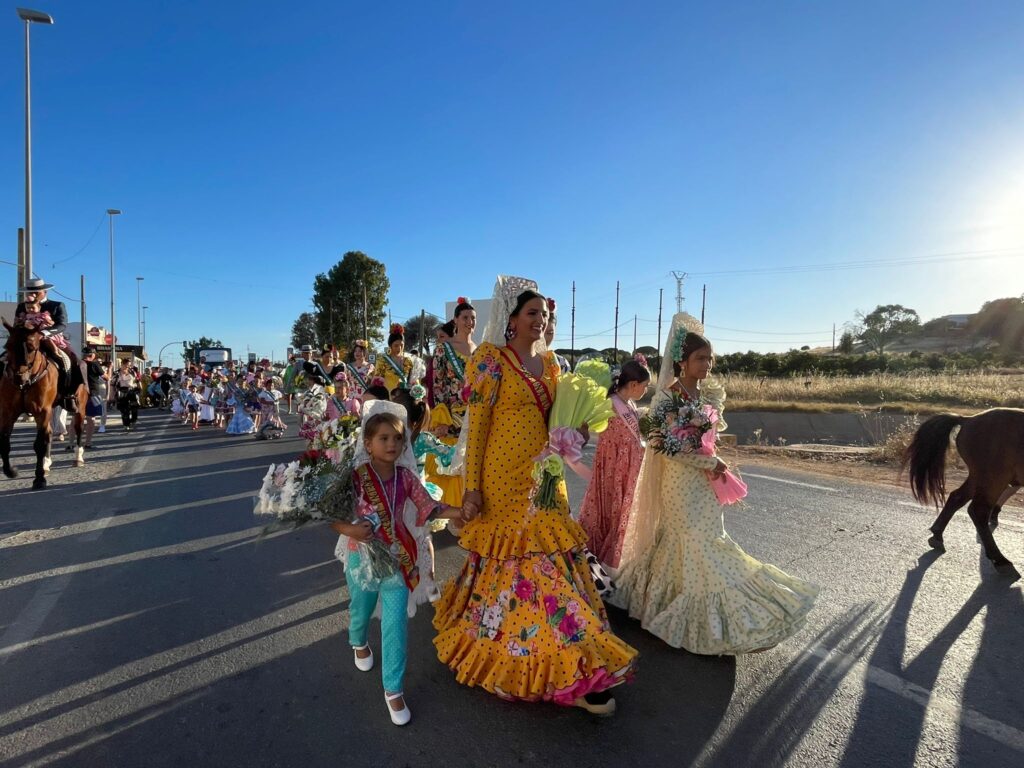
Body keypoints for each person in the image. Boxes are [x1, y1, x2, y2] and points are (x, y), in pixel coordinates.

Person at [432, 276, 637, 716]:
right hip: (501, 479)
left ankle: (575, 657)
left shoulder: (554, 368)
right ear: (511, 320)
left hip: (545, 477)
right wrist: (471, 488)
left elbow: (563, 420)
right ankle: (544, 655)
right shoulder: (492, 361)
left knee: (549, 558)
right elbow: (480, 427)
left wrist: (577, 430)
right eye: (532, 313)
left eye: (544, 314)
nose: (540, 320)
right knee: (519, 560)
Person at [611, 316, 819, 655]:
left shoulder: (706, 395)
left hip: (704, 480)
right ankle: (699, 618)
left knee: (707, 539)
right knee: (696, 542)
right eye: (700, 359)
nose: (707, 365)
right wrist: (709, 461)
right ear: (682, 362)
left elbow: (709, 436)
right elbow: (662, 444)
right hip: (679, 484)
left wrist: (712, 454)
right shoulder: (667, 398)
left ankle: (693, 608)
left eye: (710, 359)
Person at [329, 402, 463, 726]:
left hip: (399, 559)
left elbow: (429, 507)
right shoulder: (356, 477)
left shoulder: (406, 477)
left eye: (397, 439)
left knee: (395, 625)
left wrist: (462, 512)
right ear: (368, 443)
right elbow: (333, 516)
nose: (392, 444)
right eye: (384, 438)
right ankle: (358, 641)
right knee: (360, 608)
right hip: (361, 558)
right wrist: (350, 529)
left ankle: (393, 688)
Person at [578, 360, 650, 572]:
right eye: (645, 386)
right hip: (613, 467)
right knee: (610, 509)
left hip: (627, 466)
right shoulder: (610, 402)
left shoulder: (629, 404)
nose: (645, 391)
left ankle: (612, 560)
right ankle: (601, 560)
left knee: (621, 511)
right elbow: (588, 422)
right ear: (634, 384)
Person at [1, 277, 86, 410]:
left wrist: (43, 333)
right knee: (4, 357)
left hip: (50, 338)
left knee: (73, 362)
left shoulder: (56, 305)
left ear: (44, 292)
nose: (32, 295)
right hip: (26, 340)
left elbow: (61, 324)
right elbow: (17, 324)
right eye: (30, 292)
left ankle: (69, 395)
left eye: (36, 292)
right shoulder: (21, 306)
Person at [428, 298, 477, 507]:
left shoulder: (480, 349)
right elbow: (437, 385)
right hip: (452, 418)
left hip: (475, 414)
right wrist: (442, 418)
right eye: (465, 317)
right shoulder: (444, 348)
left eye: (473, 318)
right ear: (455, 320)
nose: (470, 322)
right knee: (451, 464)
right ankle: (453, 513)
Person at [372, 325, 423, 392]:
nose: (399, 348)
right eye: (396, 345)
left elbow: (414, 380)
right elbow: (377, 381)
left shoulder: (409, 361)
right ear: (390, 345)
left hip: (405, 397)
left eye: (401, 345)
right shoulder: (382, 360)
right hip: (388, 397)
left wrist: (418, 392)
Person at [81, 347, 108, 448]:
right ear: (92, 355)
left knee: (76, 418)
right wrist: (109, 368)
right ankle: (87, 442)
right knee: (91, 419)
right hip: (94, 394)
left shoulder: (78, 363)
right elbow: (107, 377)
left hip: (79, 394)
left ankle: (72, 443)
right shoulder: (95, 364)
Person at [543, 298, 571, 373]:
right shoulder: (516, 360)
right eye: (540, 331)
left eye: (550, 333)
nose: (543, 338)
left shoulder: (562, 363)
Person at [113, 359, 141, 431]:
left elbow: (137, 380)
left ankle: (133, 420)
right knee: (124, 410)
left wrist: (139, 387)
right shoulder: (116, 373)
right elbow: (112, 384)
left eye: (129, 365)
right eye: (126, 364)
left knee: (135, 408)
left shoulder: (132, 371)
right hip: (122, 392)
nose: (128, 366)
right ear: (122, 364)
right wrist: (111, 395)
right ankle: (126, 424)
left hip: (131, 391)